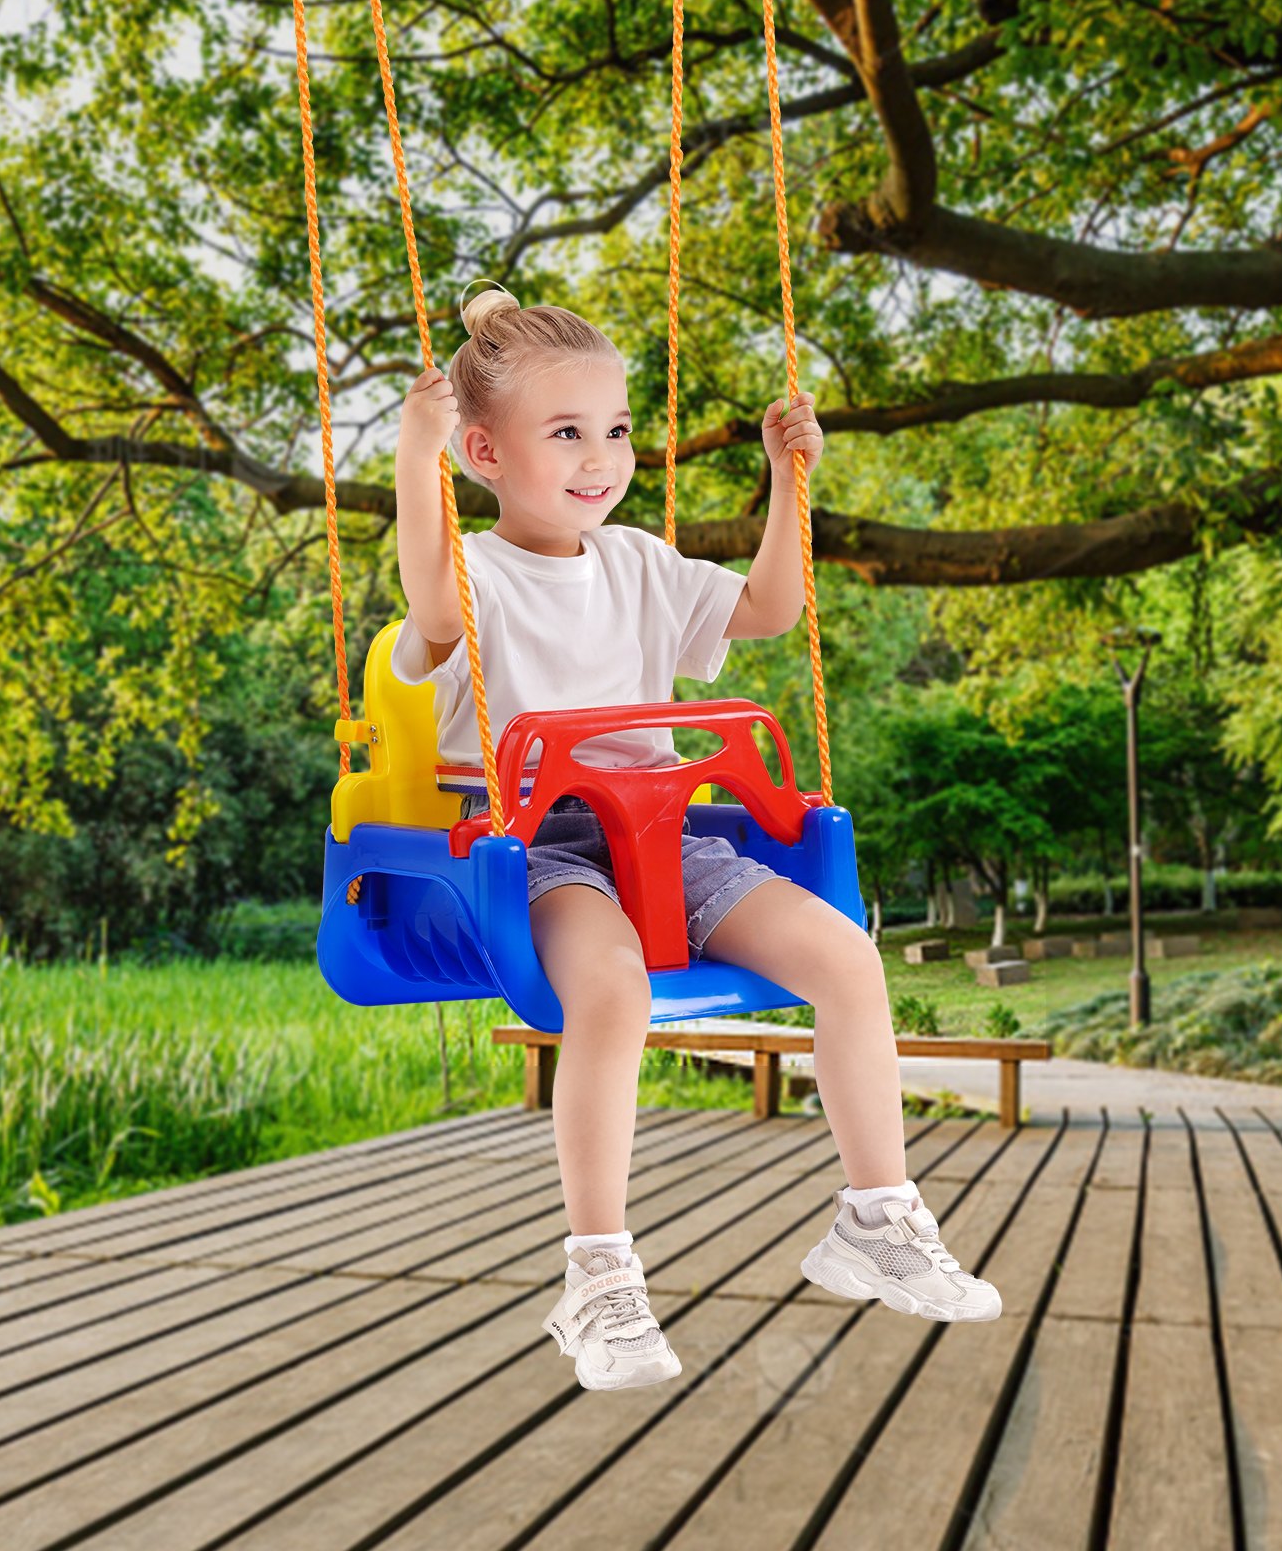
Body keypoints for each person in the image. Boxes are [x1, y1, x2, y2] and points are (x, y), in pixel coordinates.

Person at [390, 279, 1001, 1392]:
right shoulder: (471, 577)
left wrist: (787, 481)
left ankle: (875, 1216)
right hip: (537, 849)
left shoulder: (637, 563)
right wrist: (410, 455)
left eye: (614, 430)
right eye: (564, 432)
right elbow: (429, 602)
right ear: (482, 451)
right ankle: (599, 1276)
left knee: (848, 961)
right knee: (611, 993)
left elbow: (769, 610)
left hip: (669, 834)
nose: (599, 457)